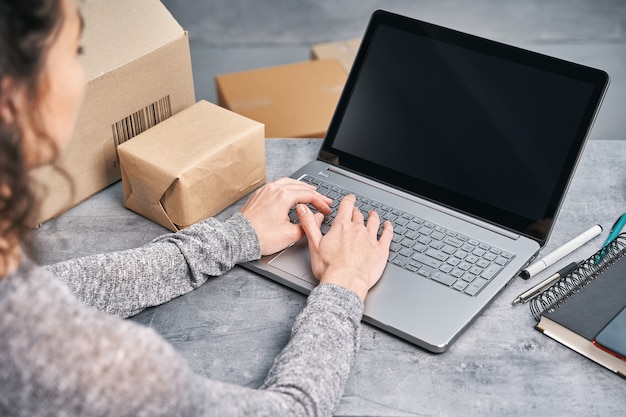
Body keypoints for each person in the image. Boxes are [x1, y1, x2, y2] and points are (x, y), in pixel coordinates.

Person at [0, 0, 393, 415]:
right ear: (13, 99)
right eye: (74, 52)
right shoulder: (100, 376)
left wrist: (233, 237)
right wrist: (345, 284)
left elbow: (55, 292)